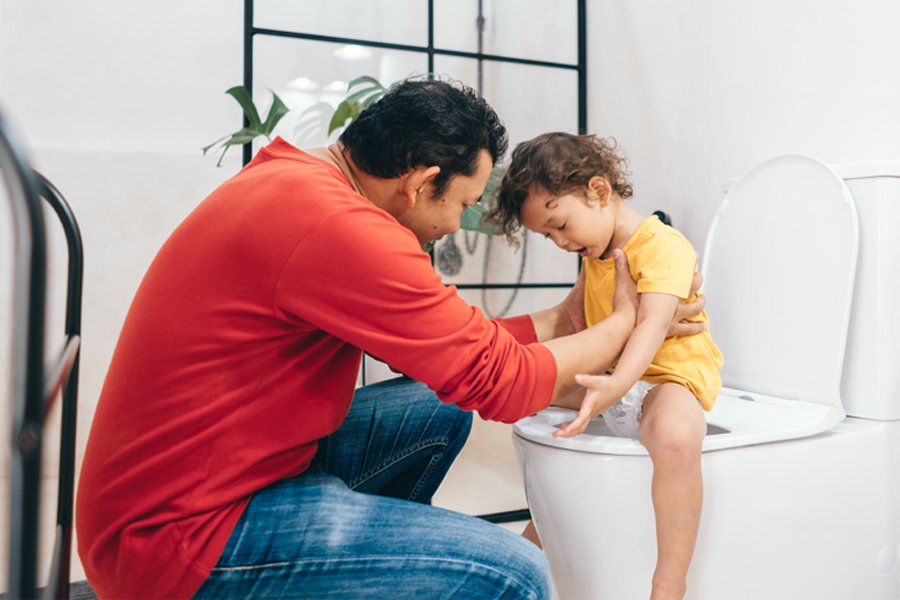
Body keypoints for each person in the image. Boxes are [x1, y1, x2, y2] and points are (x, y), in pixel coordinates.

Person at [75, 79, 706, 600]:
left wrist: (564, 317)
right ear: (418, 182)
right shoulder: (341, 229)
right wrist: (623, 322)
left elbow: (452, 346)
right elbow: (502, 384)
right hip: (178, 540)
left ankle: (372, 575)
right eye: (459, 204)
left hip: (221, 477)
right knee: (513, 574)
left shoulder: (301, 181)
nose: (457, 224)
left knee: (437, 410)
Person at [487, 132, 723, 600]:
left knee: (673, 438)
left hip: (666, 377)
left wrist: (614, 387)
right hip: (619, 377)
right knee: (526, 390)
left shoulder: (661, 245)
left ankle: (670, 579)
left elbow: (653, 326)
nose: (558, 241)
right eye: (547, 235)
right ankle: (543, 540)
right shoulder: (596, 249)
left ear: (598, 191)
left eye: (560, 224)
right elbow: (576, 317)